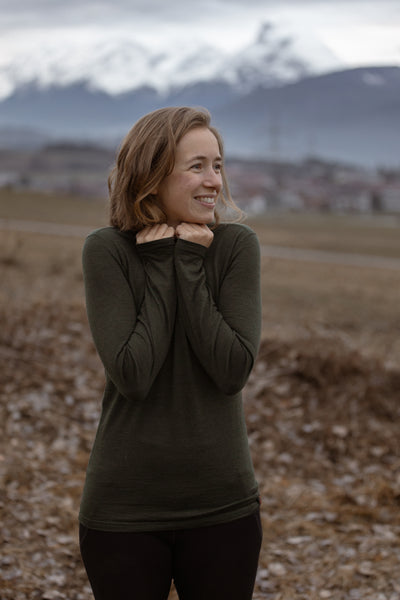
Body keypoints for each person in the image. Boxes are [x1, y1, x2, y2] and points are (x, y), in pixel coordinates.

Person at [78, 106, 262, 600]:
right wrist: (164, 264)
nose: (213, 182)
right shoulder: (109, 251)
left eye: (218, 165)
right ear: (152, 173)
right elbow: (133, 373)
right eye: (196, 166)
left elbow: (231, 369)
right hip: (123, 512)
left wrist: (191, 267)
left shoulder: (235, 247)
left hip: (223, 508)